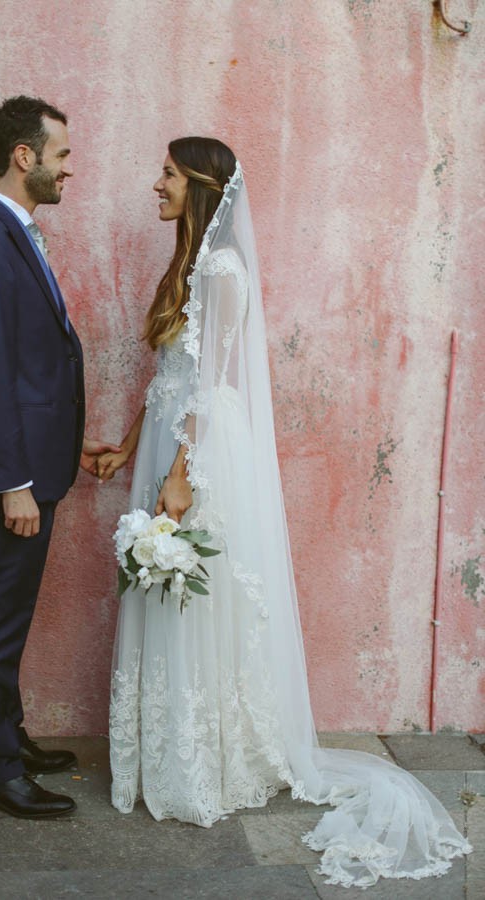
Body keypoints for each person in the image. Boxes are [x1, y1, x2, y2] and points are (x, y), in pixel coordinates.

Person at [97, 137, 471, 887]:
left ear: (201, 185)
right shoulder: (186, 266)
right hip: (166, 445)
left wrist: (179, 473)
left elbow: (210, 384)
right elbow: (168, 371)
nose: (156, 185)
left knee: (188, 597)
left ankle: (207, 762)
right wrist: (128, 443)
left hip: (197, 452)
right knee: (160, 592)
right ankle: (167, 750)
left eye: (168, 173)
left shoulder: (224, 271)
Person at [0, 95, 119, 819]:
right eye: (62, 155)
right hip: (10, 476)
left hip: (34, 461)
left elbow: (27, 368)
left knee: (9, 612)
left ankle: (6, 738)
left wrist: (67, 442)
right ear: (25, 156)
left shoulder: (17, 234)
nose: (69, 168)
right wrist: (14, 480)